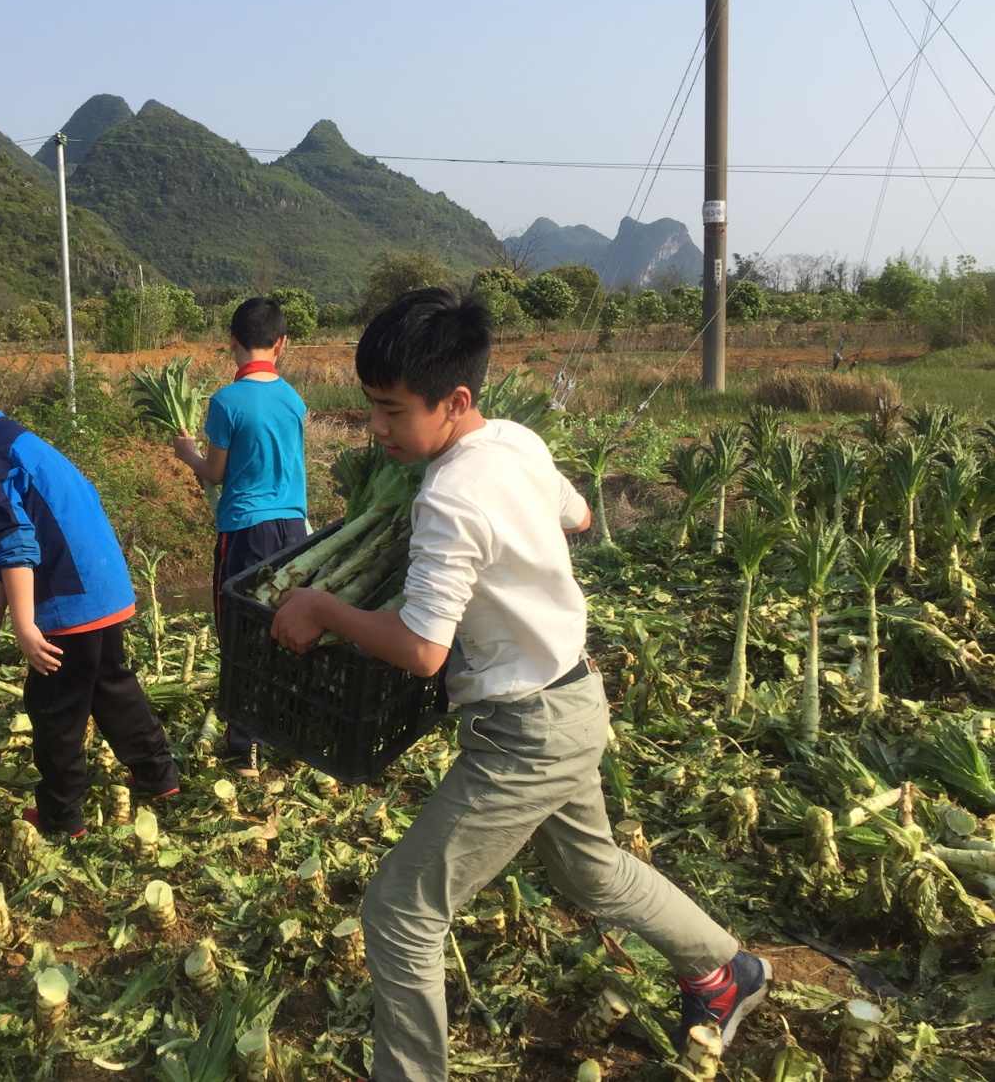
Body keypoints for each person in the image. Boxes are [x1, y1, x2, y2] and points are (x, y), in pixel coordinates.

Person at [270, 289, 771, 1082]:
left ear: (454, 400)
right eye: (371, 408)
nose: (377, 428)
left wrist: (326, 606)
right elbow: (574, 517)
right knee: (590, 868)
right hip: (571, 698)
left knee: (400, 912)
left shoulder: (449, 494)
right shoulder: (512, 441)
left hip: (524, 735)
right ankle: (723, 971)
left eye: (393, 411)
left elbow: (424, 649)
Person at [0, 372, 180, 836]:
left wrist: (25, 627)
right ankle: (160, 778)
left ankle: (62, 817)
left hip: (68, 596)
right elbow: (3, 550)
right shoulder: (7, 436)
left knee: (55, 710)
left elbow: (15, 547)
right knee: (110, 685)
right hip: (103, 586)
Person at [173, 297, 308, 777]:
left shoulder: (226, 401)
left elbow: (215, 472)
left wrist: (186, 452)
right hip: (295, 530)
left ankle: (243, 746)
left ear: (231, 341)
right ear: (282, 343)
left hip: (245, 532)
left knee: (239, 631)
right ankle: (291, 730)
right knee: (290, 626)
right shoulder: (294, 399)